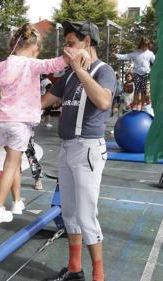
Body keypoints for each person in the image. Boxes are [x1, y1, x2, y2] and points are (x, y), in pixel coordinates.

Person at [0, 23, 89, 224]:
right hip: (19, 122)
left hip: (3, 121)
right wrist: (80, 50)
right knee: (11, 165)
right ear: (34, 49)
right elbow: (57, 63)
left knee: (13, 162)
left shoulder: (3, 65)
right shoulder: (31, 64)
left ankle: (16, 202)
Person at [42, 21, 116, 281]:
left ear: (88, 42)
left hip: (87, 149)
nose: (67, 48)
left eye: (72, 43)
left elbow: (104, 101)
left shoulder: (103, 71)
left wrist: (79, 69)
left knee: (86, 215)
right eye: (66, 43)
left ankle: (99, 276)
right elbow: (44, 101)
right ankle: (75, 270)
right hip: (66, 148)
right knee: (70, 212)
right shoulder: (69, 75)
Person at [114, 37, 155, 110]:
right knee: (137, 90)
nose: (144, 47)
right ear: (140, 45)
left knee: (143, 90)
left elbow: (155, 61)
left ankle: (142, 105)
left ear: (148, 46)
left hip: (145, 73)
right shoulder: (136, 53)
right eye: (143, 45)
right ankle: (136, 104)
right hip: (137, 73)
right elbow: (126, 56)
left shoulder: (150, 54)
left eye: (146, 46)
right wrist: (117, 55)